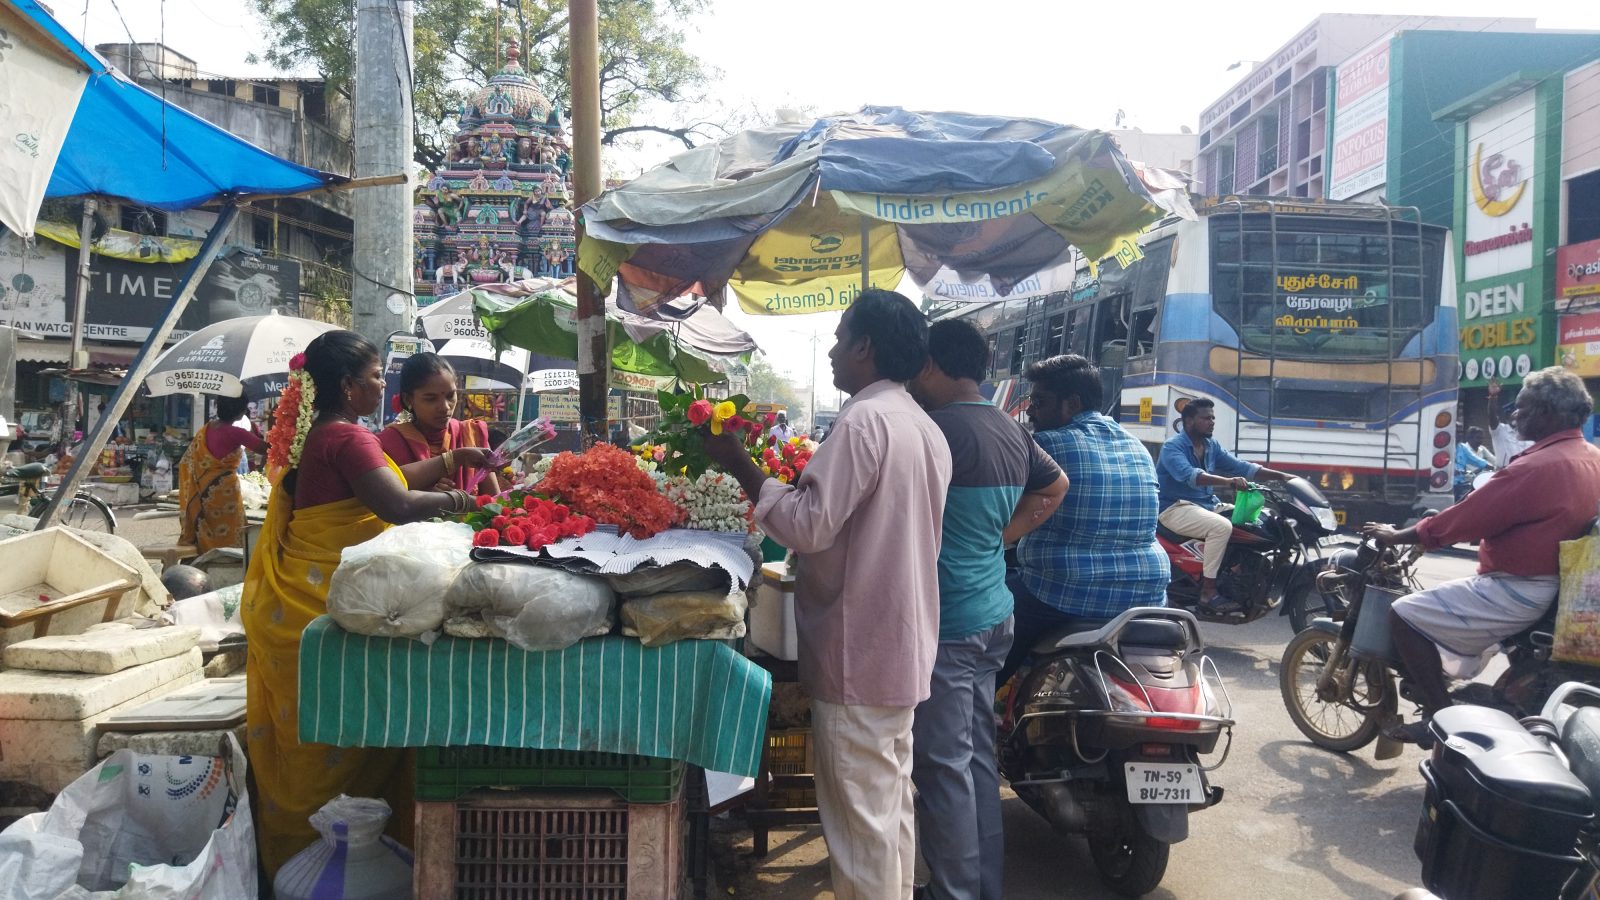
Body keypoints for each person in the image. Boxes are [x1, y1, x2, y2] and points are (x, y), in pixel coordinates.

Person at [703, 289, 951, 900]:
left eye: (841, 338)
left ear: (865, 346)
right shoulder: (921, 425)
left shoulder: (866, 419)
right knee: (888, 809)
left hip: (859, 652)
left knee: (862, 823)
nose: (835, 351)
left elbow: (806, 527)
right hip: (900, 647)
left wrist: (740, 463)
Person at [243, 331, 493, 876]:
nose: (383, 386)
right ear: (348, 385)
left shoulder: (325, 433)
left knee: (314, 744)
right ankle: (333, 857)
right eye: (377, 377)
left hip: (299, 593)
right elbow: (397, 502)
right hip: (328, 597)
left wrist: (454, 458)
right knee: (348, 737)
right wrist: (467, 499)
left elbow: (391, 480)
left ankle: (297, 863)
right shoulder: (350, 438)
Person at [905, 320, 1067, 900]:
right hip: (993, 614)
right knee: (973, 762)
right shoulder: (1008, 426)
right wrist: (1000, 536)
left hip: (949, 622)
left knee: (943, 767)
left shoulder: (933, 430)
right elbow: (1055, 487)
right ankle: (979, 886)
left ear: (930, 365)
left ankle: (953, 892)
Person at [1365, 367, 1600, 744]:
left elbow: (1467, 518)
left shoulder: (1534, 466)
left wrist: (1398, 535)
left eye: (1521, 408)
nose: (1514, 415)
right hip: (1559, 588)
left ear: (1546, 413)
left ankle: (1437, 716)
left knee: (1405, 613)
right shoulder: (1590, 456)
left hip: (1520, 587)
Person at [999, 355, 1168, 688]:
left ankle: (978, 713)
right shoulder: (1136, 445)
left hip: (1062, 593)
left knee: (980, 656)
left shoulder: (1046, 445)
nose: (1031, 411)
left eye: (1039, 402)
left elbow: (1003, 509)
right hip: (1148, 595)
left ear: (1071, 404)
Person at [1156, 398, 1293, 613]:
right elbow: (1191, 476)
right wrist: (1229, 481)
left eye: (1213, 418)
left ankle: (1238, 573)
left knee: (1257, 522)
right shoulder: (1172, 447)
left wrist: (1285, 476)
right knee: (1221, 527)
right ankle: (1208, 592)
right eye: (1206, 418)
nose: (1211, 422)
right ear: (1189, 421)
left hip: (1206, 505)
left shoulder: (1211, 446)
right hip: (1175, 508)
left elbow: (1242, 467)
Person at [377, 353, 500, 496]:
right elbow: (383, 496)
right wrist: (423, 497)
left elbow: (493, 503)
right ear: (408, 399)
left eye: (450, 396)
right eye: (431, 399)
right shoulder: (390, 442)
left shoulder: (472, 433)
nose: (445, 407)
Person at [178, 394, 266, 552]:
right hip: (225, 493)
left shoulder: (206, 429)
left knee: (209, 527)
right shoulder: (236, 433)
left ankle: (205, 556)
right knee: (230, 531)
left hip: (202, 490)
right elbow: (264, 449)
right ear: (240, 412)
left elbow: (187, 461)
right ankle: (229, 561)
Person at [1487, 378, 1533, 468]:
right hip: (1504, 473)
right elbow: (1491, 416)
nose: (1517, 415)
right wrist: (1493, 396)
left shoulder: (1530, 436)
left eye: (1521, 414)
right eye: (1514, 413)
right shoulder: (1500, 431)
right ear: (1508, 417)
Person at [1454, 427, 1493, 502]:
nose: (1459, 434)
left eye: (1461, 432)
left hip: (1462, 483)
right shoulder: (1444, 447)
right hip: (1448, 485)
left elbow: (1476, 459)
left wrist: (1492, 467)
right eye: (1457, 432)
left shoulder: (1462, 447)